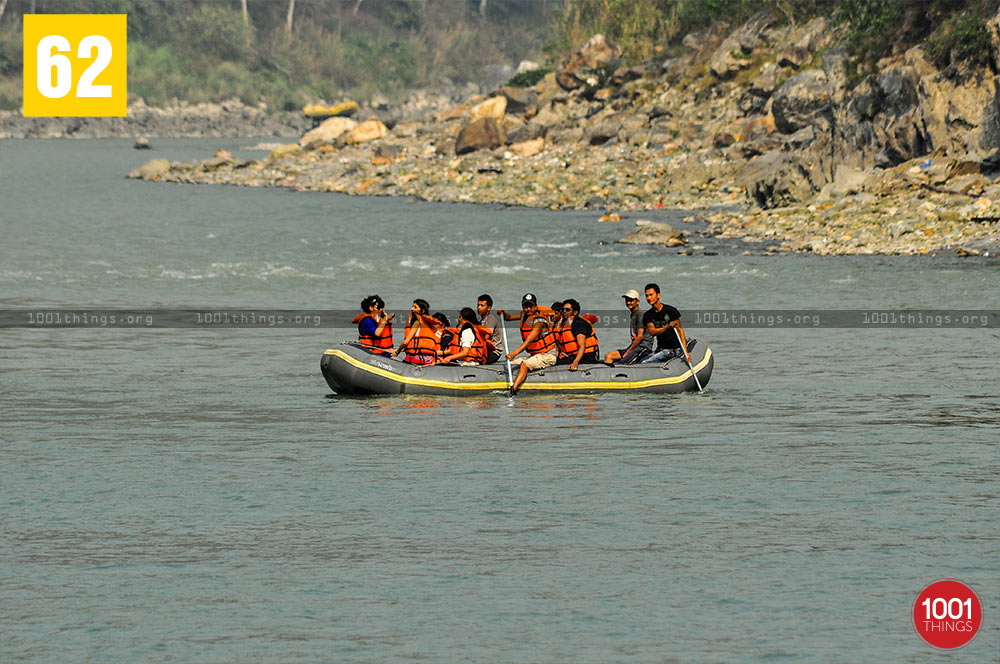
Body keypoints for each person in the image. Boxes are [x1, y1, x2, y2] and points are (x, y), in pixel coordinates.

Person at [498, 293, 557, 395]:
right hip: (535, 355)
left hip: (548, 355)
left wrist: (514, 353)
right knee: (513, 364)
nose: (528, 309)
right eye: (526, 306)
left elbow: (529, 341)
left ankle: (512, 391)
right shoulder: (523, 315)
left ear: (535, 307)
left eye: (531, 306)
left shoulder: (540, 322)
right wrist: (503, 313)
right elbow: (509, 317)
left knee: (525, 365)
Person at [603, 289, 653, 365]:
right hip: (635, 346)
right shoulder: (633, 314)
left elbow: (640, 337)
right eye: (627, 300)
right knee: (609, 355)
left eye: (631, 300)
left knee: (622, 364)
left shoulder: (640, 314)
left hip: (643, 347)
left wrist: (628, 352)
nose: (628, 302)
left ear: (638, 301)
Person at [639, 283, 684, 364]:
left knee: (644, 363)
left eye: (651, 295)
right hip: (660, 349)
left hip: (673, 350)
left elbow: (680, 331)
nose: (649, 298)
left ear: (658, 295)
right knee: (640, 361)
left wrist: (685, 352)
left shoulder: (670, 311)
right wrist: (667, 327)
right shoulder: (648, 315)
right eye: (646, 296)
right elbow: (652, 332)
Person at [554, 299, 600, 370]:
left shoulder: (578, 323)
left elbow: (582, 345)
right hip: (573, 355)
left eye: (567, 310)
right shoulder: (564, 324)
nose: (564, 311)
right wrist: (561, 352)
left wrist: (575, 362)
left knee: (555, 362)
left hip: (586, 357)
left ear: (575, 312)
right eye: (563, 310)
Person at [393, 298, 440, 365]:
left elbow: (405, 342)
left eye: (415, 307)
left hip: (418, 358)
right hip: (429, 359)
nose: (412, 309)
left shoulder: (417, 323)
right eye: (412, 306)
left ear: (422, 311)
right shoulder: (430, 324)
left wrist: (397, 351)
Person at [476, 294, 503, 363]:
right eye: (478, 305)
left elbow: (486, 337)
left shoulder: (490, 320)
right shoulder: (481, 321)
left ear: (489, 308)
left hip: (494, 352)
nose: (479, 308)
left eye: (482, 305)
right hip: (486, 350)